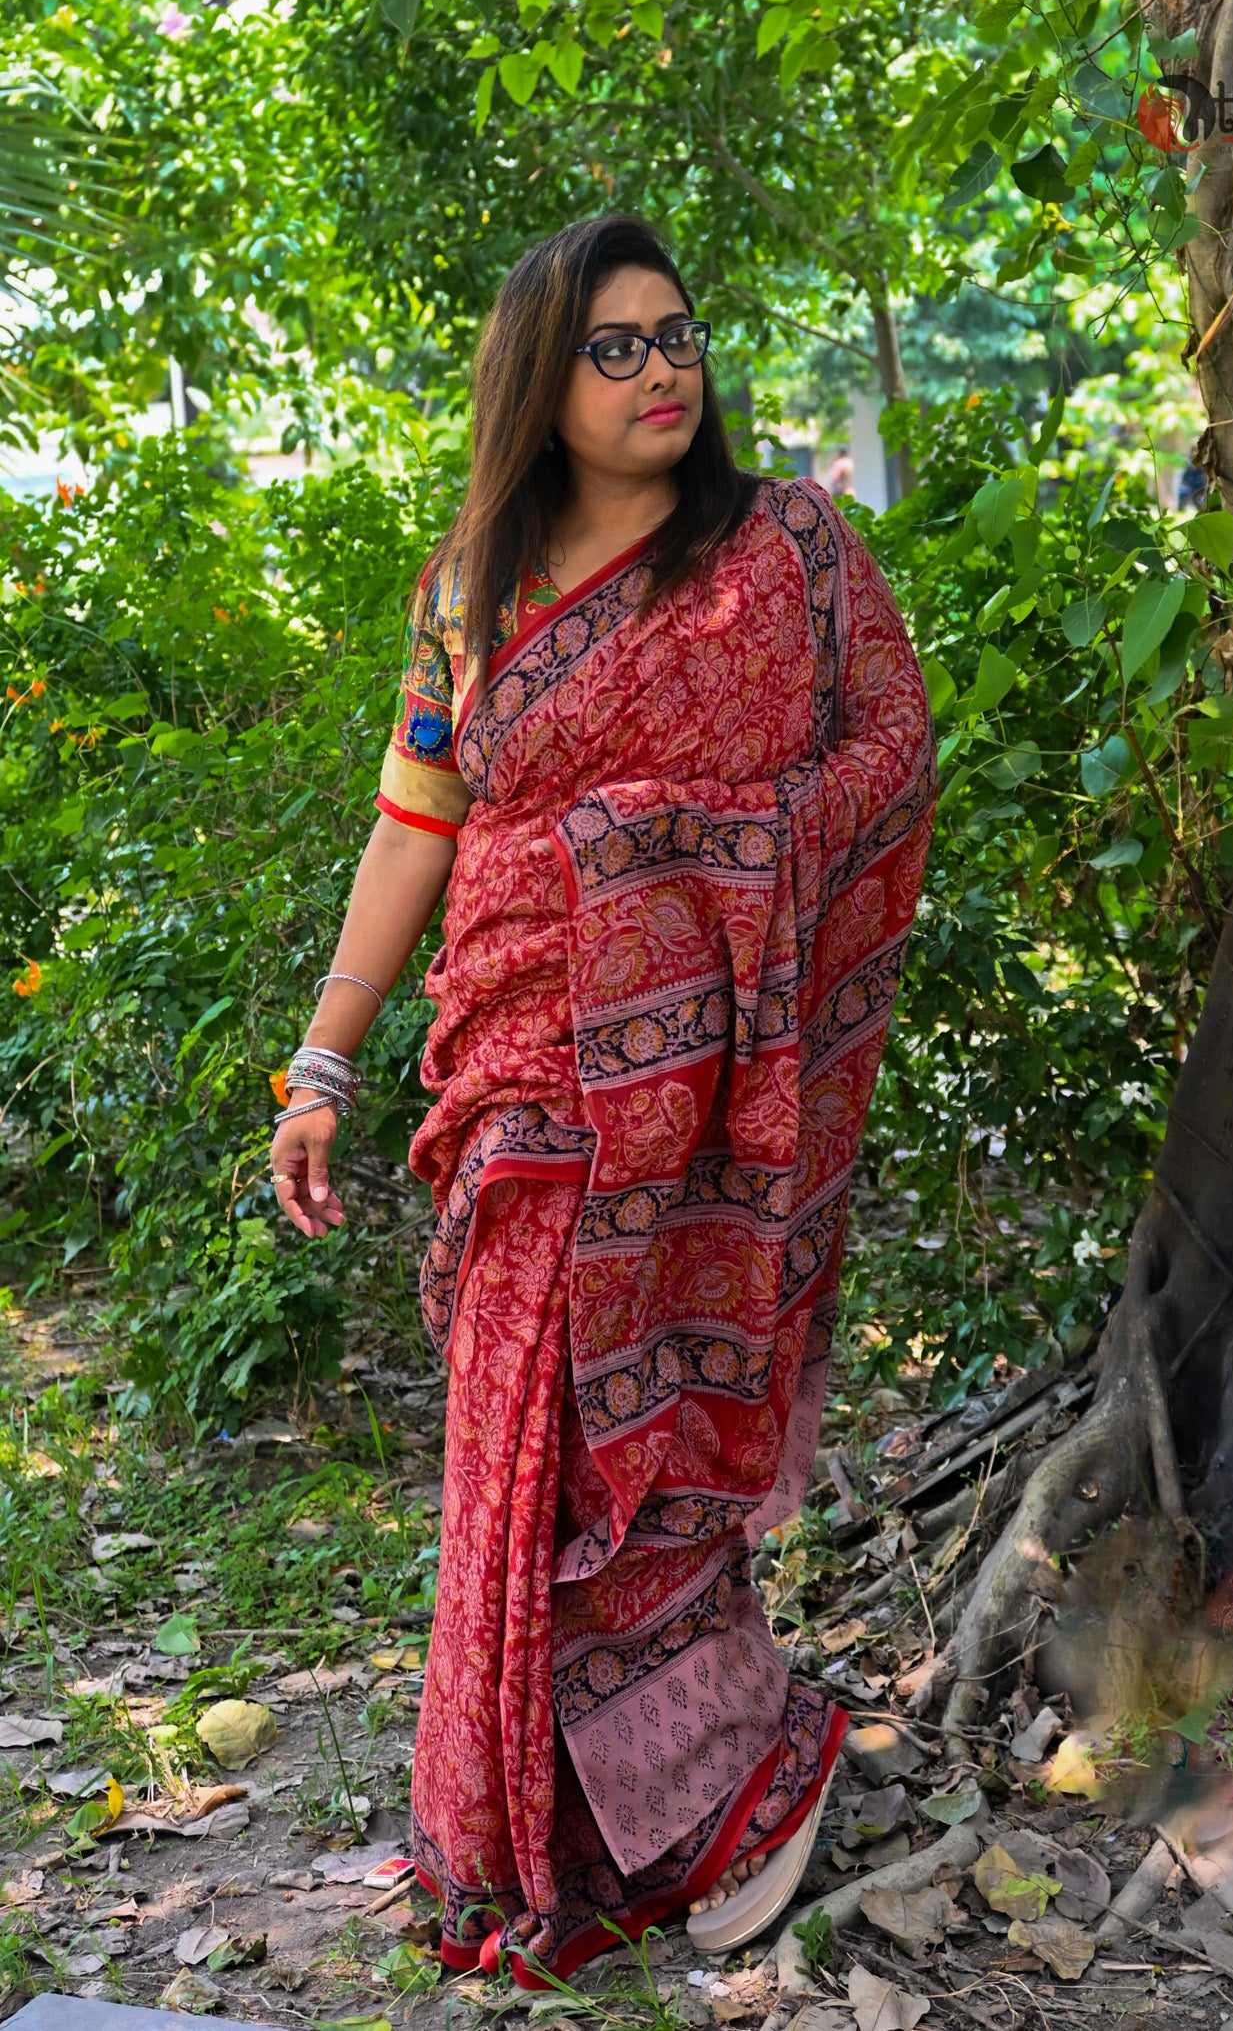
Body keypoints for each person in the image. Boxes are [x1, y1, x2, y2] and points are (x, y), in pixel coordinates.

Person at [268, 214, 935, 1985]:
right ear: (539, 382)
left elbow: (887, 761)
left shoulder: (787, 553)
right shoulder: (472, 590)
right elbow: (418, 821)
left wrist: (668, 865)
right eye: (616, 346)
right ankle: (559, 1824)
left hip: (714, 1084)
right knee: (534, 1441)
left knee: (649, 1449)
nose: (662, 371)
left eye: (679, 336)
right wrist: (325, 1059)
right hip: (519, 1068)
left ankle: (740, 1786)